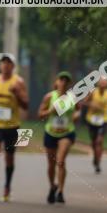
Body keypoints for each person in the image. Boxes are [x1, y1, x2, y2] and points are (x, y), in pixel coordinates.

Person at [0, 53, 29, 202]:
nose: (5, 65)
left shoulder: (18, 82)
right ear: (0, 65)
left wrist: (17, 94)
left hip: (12, 125)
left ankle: (7, 186)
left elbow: (26, 105)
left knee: (9, 158)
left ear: (13, 66)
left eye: (8, 63)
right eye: (3, 62)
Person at [38, 72, 81, 204]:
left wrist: (76, 116)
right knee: (51, 164)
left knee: (60, 161)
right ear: (56, 82)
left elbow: (78, 110)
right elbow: (40, 115)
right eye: (61, 80)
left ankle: (61, 191)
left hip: (66, 132)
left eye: (66, 81)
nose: (63, 82)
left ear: (69, 84)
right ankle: (52, 186)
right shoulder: (49, 97)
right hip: (51, 132)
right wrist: (49, 111)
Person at [82, 77, 107, 174]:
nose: (103, 85)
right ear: (98, 84)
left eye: (105, 83)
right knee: (93, 142)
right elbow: (84, 102)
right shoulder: (92, 92)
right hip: (91, 119)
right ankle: (95, 157)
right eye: (101, 83)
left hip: (103, 119)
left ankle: (98, 162)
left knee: (99, 141)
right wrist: (91, 104)